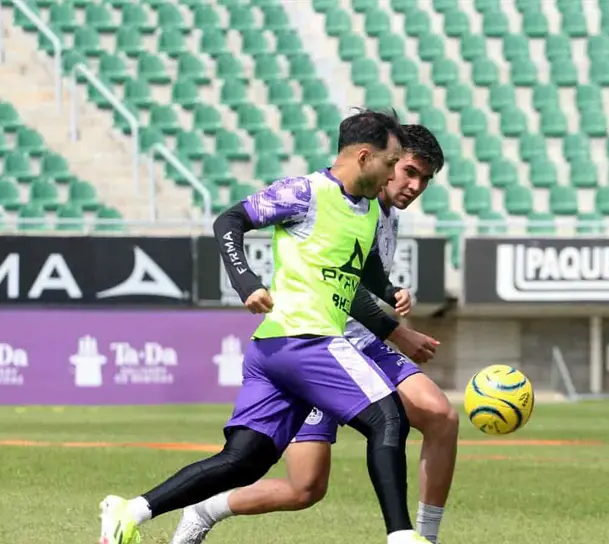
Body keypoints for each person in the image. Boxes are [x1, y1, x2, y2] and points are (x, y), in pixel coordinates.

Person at [98, 109, 432, 544]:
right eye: (392, 163)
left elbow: (361, 273)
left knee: (244, 460)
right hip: (303, 338)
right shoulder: (306, 192)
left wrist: (389, 292)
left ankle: (130, 512)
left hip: (277, 351)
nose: (394, 174)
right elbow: (229, 221)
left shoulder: (367, 210)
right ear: (365, 157)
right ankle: (402, 536)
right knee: (387, 416)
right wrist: (246, 282)